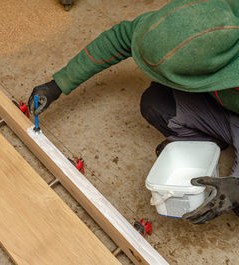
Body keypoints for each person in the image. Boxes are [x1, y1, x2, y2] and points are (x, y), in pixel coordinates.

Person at [28, 0, 239, 224]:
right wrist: (57, 85)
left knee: (234, 203)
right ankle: (207, 143)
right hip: (219, 98)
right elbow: (120, 39)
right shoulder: (198, 19)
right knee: (156, 104)